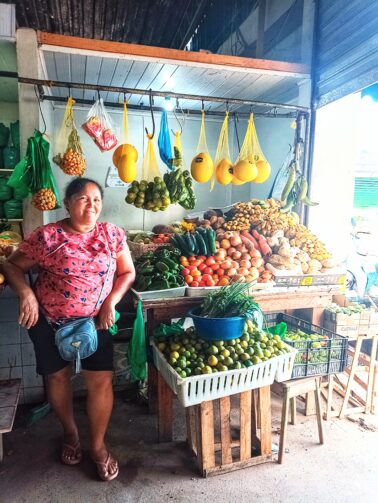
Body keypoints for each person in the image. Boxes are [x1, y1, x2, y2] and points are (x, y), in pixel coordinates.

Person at [1, 177, 135, 481]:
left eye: (97, 200)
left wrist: (111, 302)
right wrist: (26, 294)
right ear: (68, 203)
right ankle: (71, 434)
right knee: (58, 377)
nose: (92, 206)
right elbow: (11, 266)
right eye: (83, 199)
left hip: (97, 321)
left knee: (100, 381)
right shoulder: (47, 237)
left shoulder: (112, 235)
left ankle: (98, 446)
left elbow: (127, 272)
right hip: (49, 321)